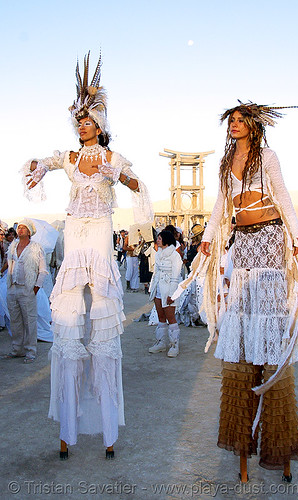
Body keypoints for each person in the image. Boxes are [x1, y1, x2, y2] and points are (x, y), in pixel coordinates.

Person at [171, 101, 298, 482]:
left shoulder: (267, 156)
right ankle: (243, 447)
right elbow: (222, 206)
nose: (235, 125)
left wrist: (295, 237)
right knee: (241, 325)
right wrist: (207, 241)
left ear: (254, 127)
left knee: (270, 327)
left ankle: (278, 445)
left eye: (241, 120)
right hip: (242, 240)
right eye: (232, 121)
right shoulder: (225, 165)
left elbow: (284, 196)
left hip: (271, 238)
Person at [22, 52, 153, 459]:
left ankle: (108, 429)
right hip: (74, 232)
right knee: (66, 323)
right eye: (78, 122)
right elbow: (43, 162)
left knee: (102, 322)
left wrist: (128, 179)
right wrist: (35, 166)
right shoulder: (72, 157)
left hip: (98, 234)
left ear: (100, 126)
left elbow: (132, 180)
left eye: (87, 121)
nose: (82, 126)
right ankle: (67, 428)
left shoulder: (111, 158)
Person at [5, 219, 48, 363]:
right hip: (13, 288)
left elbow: (43, 270)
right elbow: (9, 264)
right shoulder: (12, 246)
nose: (20, 230)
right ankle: (17, 349)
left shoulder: (36, 248)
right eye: (19, 228)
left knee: (30, 320)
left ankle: (30, 351)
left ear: (29, 232)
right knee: (15, 320)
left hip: (27, 289)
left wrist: (35, 288)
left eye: (24, 228)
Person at [148, 230, 182, 357]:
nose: (157, 240)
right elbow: (155, 273)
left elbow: (176, 276)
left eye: (160, 238)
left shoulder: (175, 255)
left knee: (171, 317)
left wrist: (172, 295)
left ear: (166, 239)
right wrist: (152, 288)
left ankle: (174, 345)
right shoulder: (158, 254)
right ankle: (161, 343)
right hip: (158, 289)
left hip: (169, 289)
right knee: (160, 316)